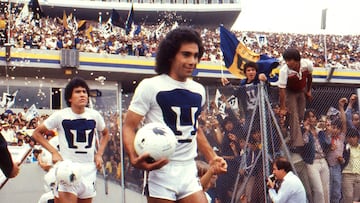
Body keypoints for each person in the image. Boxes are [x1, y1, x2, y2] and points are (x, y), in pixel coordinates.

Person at [122, 27, 227, 203]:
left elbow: (194, 129)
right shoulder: (150, 86)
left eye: (195, 55)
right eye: (186, 54)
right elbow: (129, 126)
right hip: (161, 170)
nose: (192, 61)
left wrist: (212, 158)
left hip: (188, 169)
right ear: (170, 55)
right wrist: (133, 157)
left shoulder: (198, 90)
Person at [32, 77, 110, 203]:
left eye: (84, 92)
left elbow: (106, 134)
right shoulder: (61, 115)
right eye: (78, 92)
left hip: (89, 169)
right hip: (68, 168)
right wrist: (54, 152)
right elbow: (36, 133)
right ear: (70, 98)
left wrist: (99, 154)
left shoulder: (94, 115)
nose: (82, 95)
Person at [278, 48, 313, 150]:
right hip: (290, 91)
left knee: (301, 114)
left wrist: (309, 90)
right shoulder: (284, 71)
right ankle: (297, 143)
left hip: (301, 89)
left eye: (290, 60)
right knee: (294, 114)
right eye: (286, 60)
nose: (287, 63)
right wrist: (283, 106)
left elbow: (309, 77)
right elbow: (282, 90)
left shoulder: (307, 64)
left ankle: (290, 131)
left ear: (297, 60)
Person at [341, 127, 360, 203]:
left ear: (358, 138)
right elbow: (343, 160)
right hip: (347, 175)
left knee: (356, 199)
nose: (351, 139)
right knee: (348, 197)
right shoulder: (345, 148)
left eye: (353, 137)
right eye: (349, 137)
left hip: (359, 176)